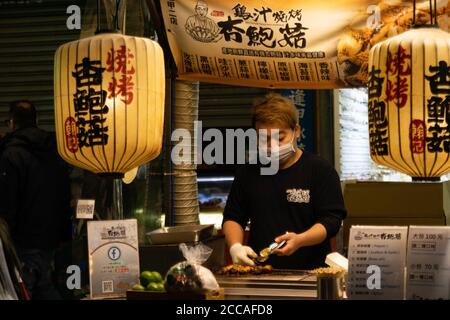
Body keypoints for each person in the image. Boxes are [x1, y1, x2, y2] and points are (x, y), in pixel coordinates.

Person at [222, 93, 347, 270]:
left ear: (296, 131)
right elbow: (233, 217)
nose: (272, 146)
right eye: (264, 139)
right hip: (261, 272)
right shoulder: (248, 172)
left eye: (280, 138)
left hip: (311, 273)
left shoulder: (320, 170)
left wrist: (300, 239)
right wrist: (235, 246)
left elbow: (332, 221)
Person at [0, 100, 71, 299]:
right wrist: (64, 235)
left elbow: (7, 201)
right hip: (51, 238)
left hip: (23, 239)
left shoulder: (11, 154)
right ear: (36, 120)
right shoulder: (56, 152)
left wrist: (7, 239)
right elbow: (65, 193)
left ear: (12, 122)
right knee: (45, 286)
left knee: (25, 289)